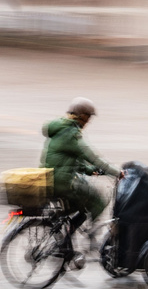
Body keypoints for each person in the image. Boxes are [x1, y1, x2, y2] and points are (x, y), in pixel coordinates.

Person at [40, 97, 120, 248]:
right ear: (82, 116)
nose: (88, 121)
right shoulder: (71, 134)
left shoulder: (60, 129)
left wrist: (91, 170)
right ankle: (89, 239)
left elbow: (71, 159)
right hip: (63, 183)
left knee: (80, 207)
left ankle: (65, 241)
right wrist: (117, 172)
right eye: (88, 117)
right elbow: (92, 157)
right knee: (98, 200)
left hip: (51, 179)